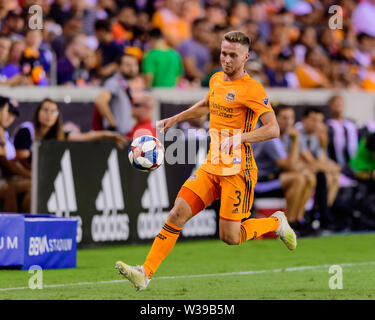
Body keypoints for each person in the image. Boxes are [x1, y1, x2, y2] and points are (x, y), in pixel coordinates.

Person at [115, 31, 297, 291]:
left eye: (233, 55)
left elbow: (273, 129)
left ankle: (276, 223)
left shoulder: (253, 89)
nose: (227, 59)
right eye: (224, 53)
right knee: (178, 212)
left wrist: (240, 138)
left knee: (230, 237)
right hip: (212, 166)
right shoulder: (215, 79)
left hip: (238, 171)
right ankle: (145, 272)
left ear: (246, 57)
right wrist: (176, 118)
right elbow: (208, 104)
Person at [13, 98, 127, 167]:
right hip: (22, 175)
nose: (48, 115)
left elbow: (85, 136)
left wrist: (106, 134)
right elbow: (22, 159)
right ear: (38, 112)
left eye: (53, 111)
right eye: (45, 110)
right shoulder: (26, 131)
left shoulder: (59, 134)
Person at [93, 53, 137, 135]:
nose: (132, 68)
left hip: (126, 135)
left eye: (135, 65)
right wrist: (113, 126)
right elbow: (100, 101)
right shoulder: (114, 82)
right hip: (117, 136)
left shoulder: (125, 84)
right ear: (118, 67)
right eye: (128, 65)